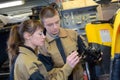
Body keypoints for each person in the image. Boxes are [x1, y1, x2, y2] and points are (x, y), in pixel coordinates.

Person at [7, 19, 80, 80]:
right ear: (27, 36)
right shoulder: (28, 62)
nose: (44, 37)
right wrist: (68, 67)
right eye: (40, 34)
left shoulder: (27, 56)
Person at [39, 6, 88, 80]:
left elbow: (85, 55)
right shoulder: (42, 46)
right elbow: (48, 73)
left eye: (57, 22)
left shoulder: (72, 34)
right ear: (43, 25)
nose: (55, 27)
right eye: (50, 25)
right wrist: (68, 67)